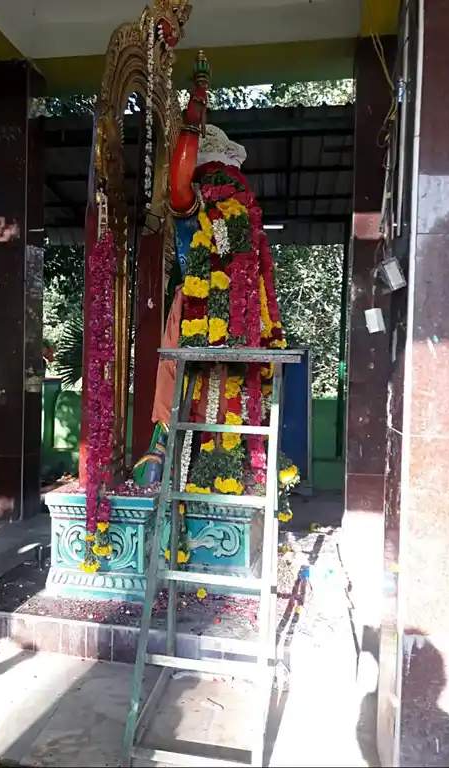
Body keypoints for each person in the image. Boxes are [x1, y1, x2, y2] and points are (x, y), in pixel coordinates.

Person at [134, 52, 286, 491]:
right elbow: (180, 180)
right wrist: (195, 105)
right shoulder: (199, 201)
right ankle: (167, 463)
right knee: (180, 398)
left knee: (235, 401)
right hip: (196, 316)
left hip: (240, 324)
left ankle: (237, 473)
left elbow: (260, 279)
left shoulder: (240, 213)